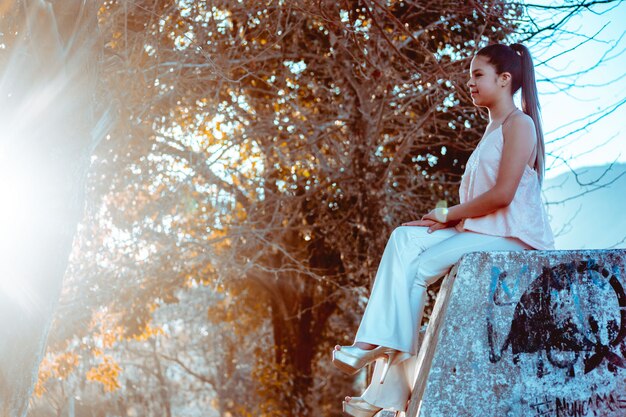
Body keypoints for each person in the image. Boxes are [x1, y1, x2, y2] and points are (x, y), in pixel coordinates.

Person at [331, 42, 555, 417]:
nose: (469, 82)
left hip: (515, 239)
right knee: (404, 238)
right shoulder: (492, 129)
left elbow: (501, 195)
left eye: (477, 75)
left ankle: (380, 374)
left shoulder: (521, 125)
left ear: (504, 80)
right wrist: (437, 214)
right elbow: (471, 201)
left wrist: (447, 214)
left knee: (419, 270)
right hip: (483, 229)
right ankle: (379, 368)